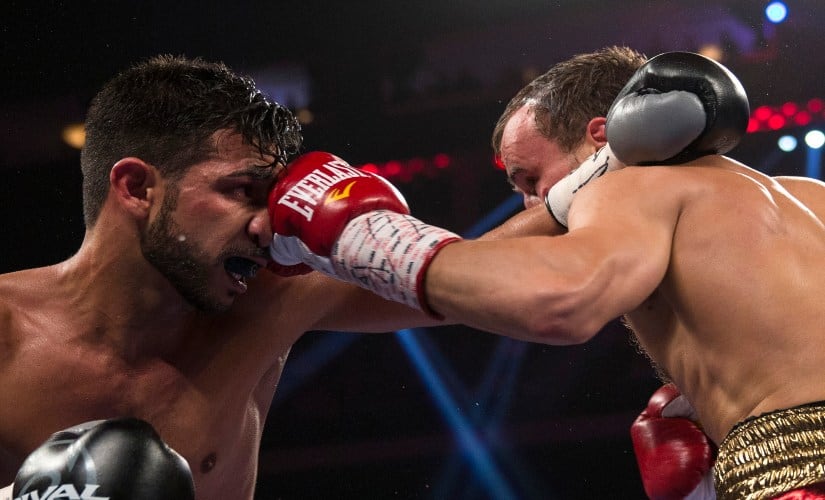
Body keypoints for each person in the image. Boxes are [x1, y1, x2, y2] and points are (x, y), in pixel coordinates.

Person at [0, 54, 564, 500]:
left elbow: (475, 272)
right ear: (137, 189)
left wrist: (606, 174)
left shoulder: (274, 298)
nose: (268, 224)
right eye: (241, 190)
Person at [269, 49, 825, 499]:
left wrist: (362, 237)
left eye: (529, 179)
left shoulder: (629, 186)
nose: (532, 206)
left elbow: (563, 299)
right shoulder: (810, 198)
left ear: (604, 137)